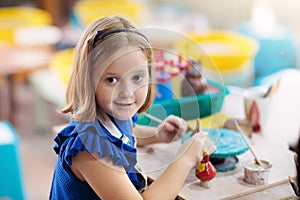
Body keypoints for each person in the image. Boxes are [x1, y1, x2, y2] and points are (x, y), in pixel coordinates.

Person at [49, 16, 216, 200]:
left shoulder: (112, 114)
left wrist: (156, 136)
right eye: (111, 80)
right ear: (88, 82)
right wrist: (186, 158)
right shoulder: (88, 148)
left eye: (137, 77)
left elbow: (122, 134)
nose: (127, 92)